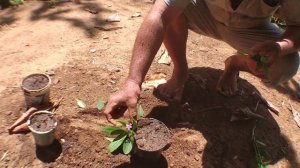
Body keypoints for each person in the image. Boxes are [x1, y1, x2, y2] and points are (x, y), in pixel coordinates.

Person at [103, 0, 300, 124]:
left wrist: (279, 47)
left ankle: (235, 64)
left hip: (248, 28)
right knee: (170, 10)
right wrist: (132, 82)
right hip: (202, 15)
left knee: (285, 65)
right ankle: (180, 71)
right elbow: (160, 14)